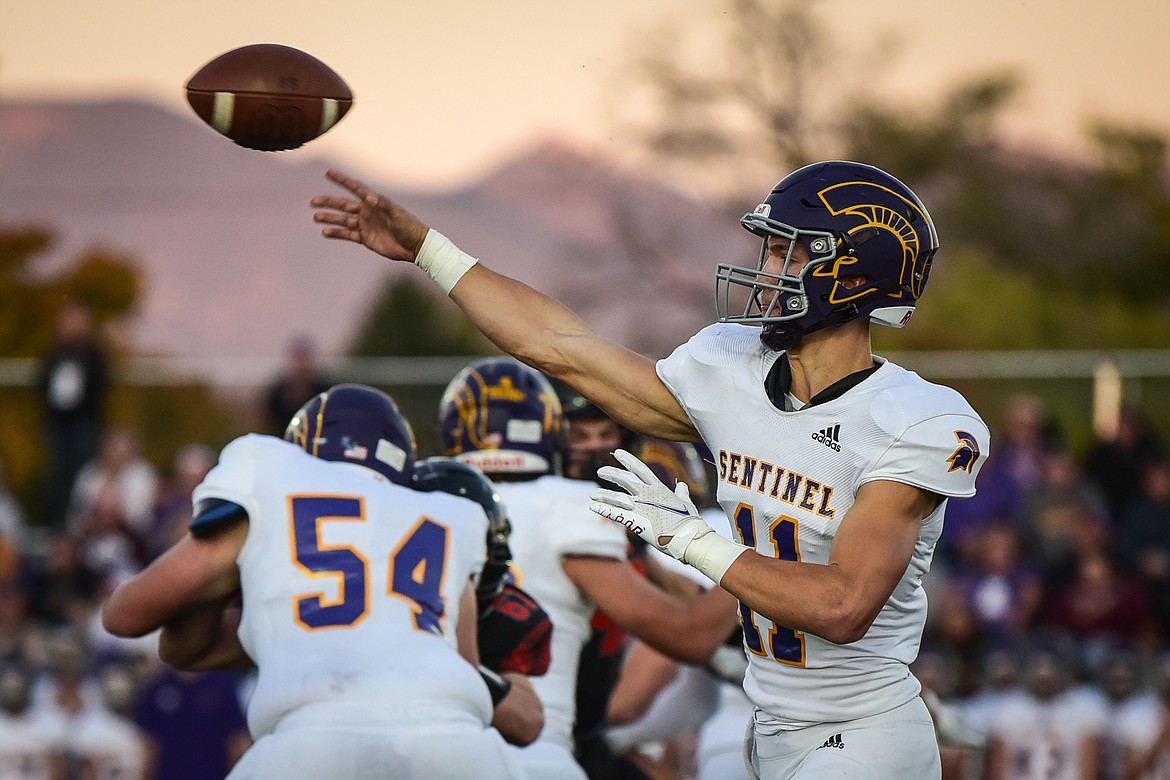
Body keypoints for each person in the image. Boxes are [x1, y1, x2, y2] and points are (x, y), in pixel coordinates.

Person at [311, 158, 991, 779]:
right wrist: (431, 252)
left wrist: (693, 542)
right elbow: (562, 347)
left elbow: (843, 606)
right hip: (771, 727)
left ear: (853, 270)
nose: (769, 265)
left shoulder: (914, 420)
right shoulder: (734, 371)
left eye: (790, 251)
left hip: (863, 734)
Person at [101, 383, 530, 779]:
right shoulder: (450, 516)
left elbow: (125, 616)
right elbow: (465, 669)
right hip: (456, 747)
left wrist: (223, 584)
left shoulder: (268, 479)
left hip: (310, 744)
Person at [435, 357, 739, 780]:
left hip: (430, 748)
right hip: (534, 751)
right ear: (549, 432)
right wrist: (762, 548)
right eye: (579, 435)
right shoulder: (570, 505)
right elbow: (687, 636)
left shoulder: (419, 504)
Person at [37, 299, 109, 530]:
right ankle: (58, 524)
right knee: (59, 474)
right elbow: (41, 381)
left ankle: (80, 522)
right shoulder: (54, 351)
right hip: (58, 422)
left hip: (83, 422)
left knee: (83, 473)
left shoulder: (93, 353)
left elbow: (100, 384)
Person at [261, 333, 331, 436]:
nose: (301, 364)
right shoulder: (277, 394)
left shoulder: (325, 391)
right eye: (298, 358)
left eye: (304, 358)